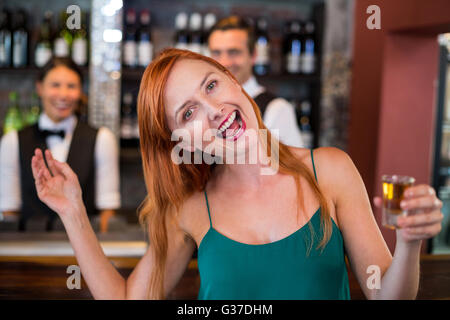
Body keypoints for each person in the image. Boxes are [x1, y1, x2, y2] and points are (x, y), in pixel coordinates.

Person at [30, 48, 442, 299]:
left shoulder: (330, 169)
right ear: (181, 139)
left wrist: (408, 244)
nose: (213, 112)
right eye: (188, 113)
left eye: (211, 86)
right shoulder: (188, 209)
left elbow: (385, 294)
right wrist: (73, 213)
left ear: (234, 81)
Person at [0, 57, 120, 233]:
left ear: (80, 91)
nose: (63, 95)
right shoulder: (12, 141)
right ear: (39, 88)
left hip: (84, 252)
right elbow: (9, 210)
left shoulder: (102, 139)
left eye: (71, 86)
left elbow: (107, 209)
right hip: (29, 249)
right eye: (55, 85)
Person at [208, 15, 304, 148]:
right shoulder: (205, 106)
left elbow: (291, 167)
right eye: (217, 53)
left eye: (233, 52)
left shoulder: (276, 110)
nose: (224, 62)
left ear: (253, 55)